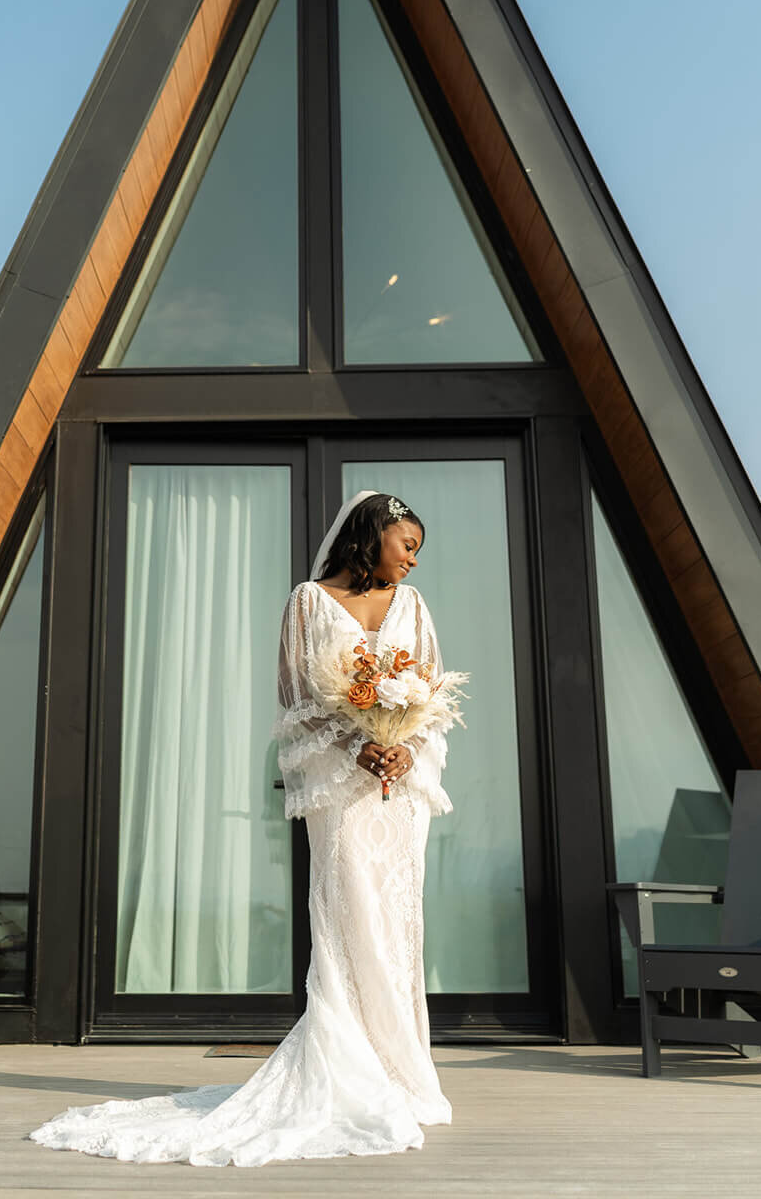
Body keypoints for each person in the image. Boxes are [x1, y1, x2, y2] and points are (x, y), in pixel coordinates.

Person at [30, 488, 455, 1166]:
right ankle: (346, 1066)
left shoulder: (413, 607)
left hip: (396, 795)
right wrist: (356, 747)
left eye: (417, 551)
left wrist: (403, 747)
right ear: (372, 533)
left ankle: (402, 1073)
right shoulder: (308, 603)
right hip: (340, 793)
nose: (413, 560)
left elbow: (430, 697)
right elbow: (296, 703)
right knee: (348, 920)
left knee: (398, 923)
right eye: (408, 544)